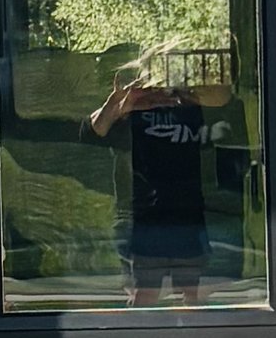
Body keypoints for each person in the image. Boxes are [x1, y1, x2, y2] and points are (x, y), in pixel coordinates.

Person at [87, 42, 239, 304]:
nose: (166, 77)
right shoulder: (135, 108)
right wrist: (121, 103)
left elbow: (224, 97)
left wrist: (190, 92)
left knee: (192, 294)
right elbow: (97, 128)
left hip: (187, 216)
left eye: (173, 68)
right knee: (145, 294)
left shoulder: (193, 103)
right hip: (146, 218)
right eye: (160, 68)